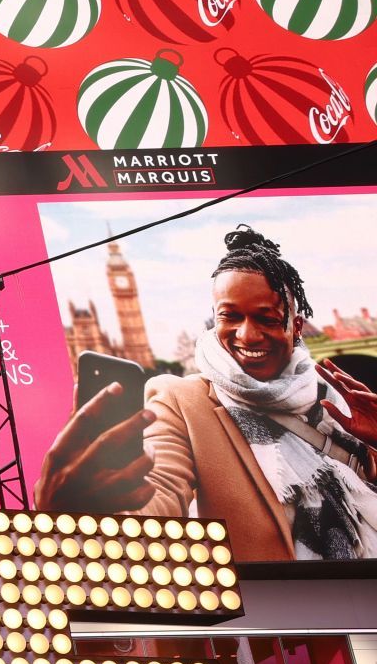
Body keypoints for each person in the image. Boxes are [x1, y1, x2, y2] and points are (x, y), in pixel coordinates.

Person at [38, 226, 377, 560]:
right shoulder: (182, 402)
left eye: (267, 318)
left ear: (296, 325)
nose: (247, 335)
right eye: (230, 316)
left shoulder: (334, 398)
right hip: (280, 611)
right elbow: (157, 504)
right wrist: (76, 515)